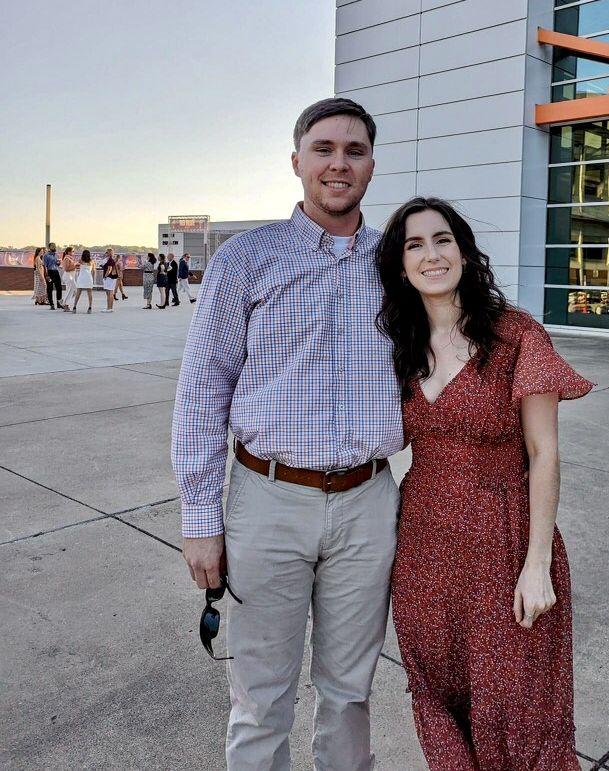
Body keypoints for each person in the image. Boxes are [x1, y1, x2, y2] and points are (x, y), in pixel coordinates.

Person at [172, 97, 402, 770]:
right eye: (324, 148)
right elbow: (202, 389)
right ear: (297, 161)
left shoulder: (396, 264)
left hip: (368, 503)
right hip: (266, 500)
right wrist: (199, 516)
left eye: (354, 151)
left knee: (348, 692)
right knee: (260, 695)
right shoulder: (246, 259)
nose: (339, 163)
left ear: (370, 165)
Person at [377, 197, 594, 770]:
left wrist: (537, 562)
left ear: (466, 253)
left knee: (518, 708)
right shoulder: (397, 346)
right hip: (424, 546)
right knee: (437, 694)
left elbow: (544, 452)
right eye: (414, 245)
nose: (431, 254)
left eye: (442, 239)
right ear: (401, 266)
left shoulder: (516, 335)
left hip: (505, 540)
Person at [43, 242, 63, 310]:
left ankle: (59, 303)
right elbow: (44, 266)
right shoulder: (46, 255)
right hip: (49, 272)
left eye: (55, 246)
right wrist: (46, 275)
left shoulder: (56, 255)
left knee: (59, 288)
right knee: (50, 288)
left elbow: (58, 264)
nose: (54, 247)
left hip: (56, 272)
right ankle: (51, 304)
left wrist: (58, 263)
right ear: (49, 248)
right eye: (52, 246)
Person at [101, 248, 118, 313]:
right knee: (110, 292)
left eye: (106, 252)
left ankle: (109, 308)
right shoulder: (111, 260)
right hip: (111, 278)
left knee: (109, 293)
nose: (105, 254)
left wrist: (105, 276)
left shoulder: (110, 260)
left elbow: (109, 269)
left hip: (109, 278)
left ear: (108, 253)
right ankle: (110, 307)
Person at [60, 246, 77, 311]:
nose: (73, 252)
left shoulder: (70, 258)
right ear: (68, 252)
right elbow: (66, 269)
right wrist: (75, 266)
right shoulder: (67, 258)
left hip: (71, 276)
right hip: (68, 276)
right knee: (72, 290)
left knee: (72, 291)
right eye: (73, 251)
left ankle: (64, 302)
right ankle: (65, 303)